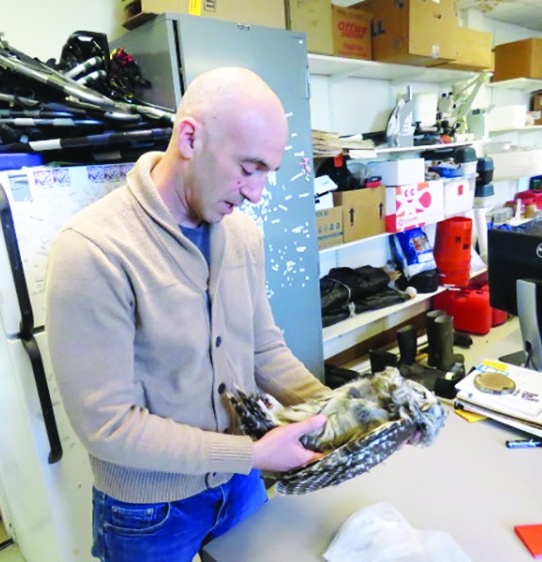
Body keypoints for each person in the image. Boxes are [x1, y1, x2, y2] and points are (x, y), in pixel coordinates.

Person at [45, 66, 329, 562]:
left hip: (241, 484)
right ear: (191, 137)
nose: (256, 193)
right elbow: (107, 425)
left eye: (267, 172)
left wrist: (342, 413)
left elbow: (263, 348)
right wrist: (253, 454)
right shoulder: (93, 250)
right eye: (248, 167)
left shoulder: (243, 236)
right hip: (149, 511)